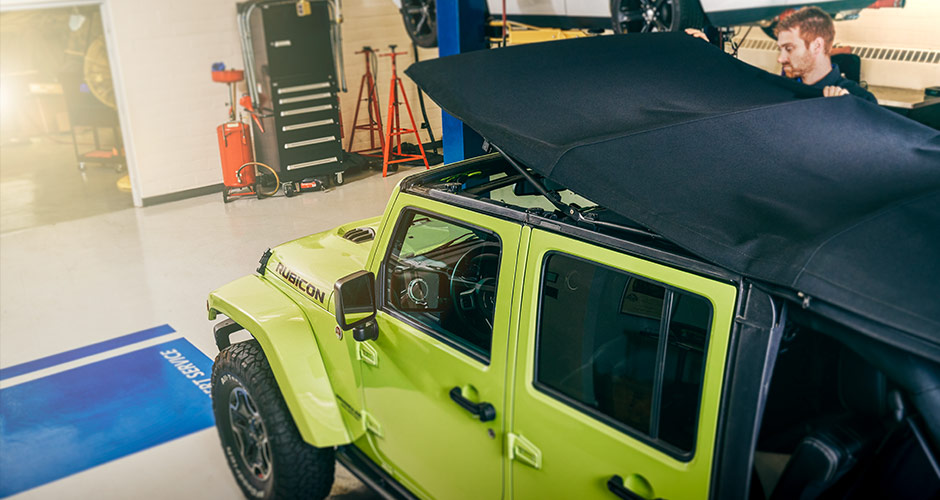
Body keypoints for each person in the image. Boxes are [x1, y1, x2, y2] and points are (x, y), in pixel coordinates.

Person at [686, 6, 878, 103]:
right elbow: (737, 85)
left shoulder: (859, 99)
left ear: (817, 46)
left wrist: (847, 114)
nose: (780, 58)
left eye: (789, 49)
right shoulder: (780, 90)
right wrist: (707, 51)